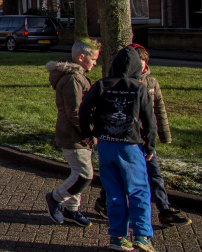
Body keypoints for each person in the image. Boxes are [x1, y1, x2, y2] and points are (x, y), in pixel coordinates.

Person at [94, 44, 191, 227]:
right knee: (120, 175)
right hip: (126, 140)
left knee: (154, 174)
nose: (143, 65)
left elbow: (158, 111)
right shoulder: (118, 84)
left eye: (145, 62)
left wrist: (163, 136)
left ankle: (164, 209)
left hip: (145, 140)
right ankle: (104, 201)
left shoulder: (151, 83)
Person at [79, 46, 158, 252]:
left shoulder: (101, 85)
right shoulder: (139, 88)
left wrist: (87, 133)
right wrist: (150, 144)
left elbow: (84, 109)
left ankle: (118, 237)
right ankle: (142, 236)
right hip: (129, 144)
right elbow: (149, 119)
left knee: (113, 192)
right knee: (138, 190)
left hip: (105, 144)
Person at [44, 38, 100, 228]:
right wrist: (89, 133)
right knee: (85, 176)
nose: (95, 63)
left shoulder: (78, 75)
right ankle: (55, 198)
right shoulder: (72, 79)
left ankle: (72, 211)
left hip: (77, 133)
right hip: (73, 134)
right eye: (93, 59)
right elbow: (75, 111)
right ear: (81, 57)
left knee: (78, 173)